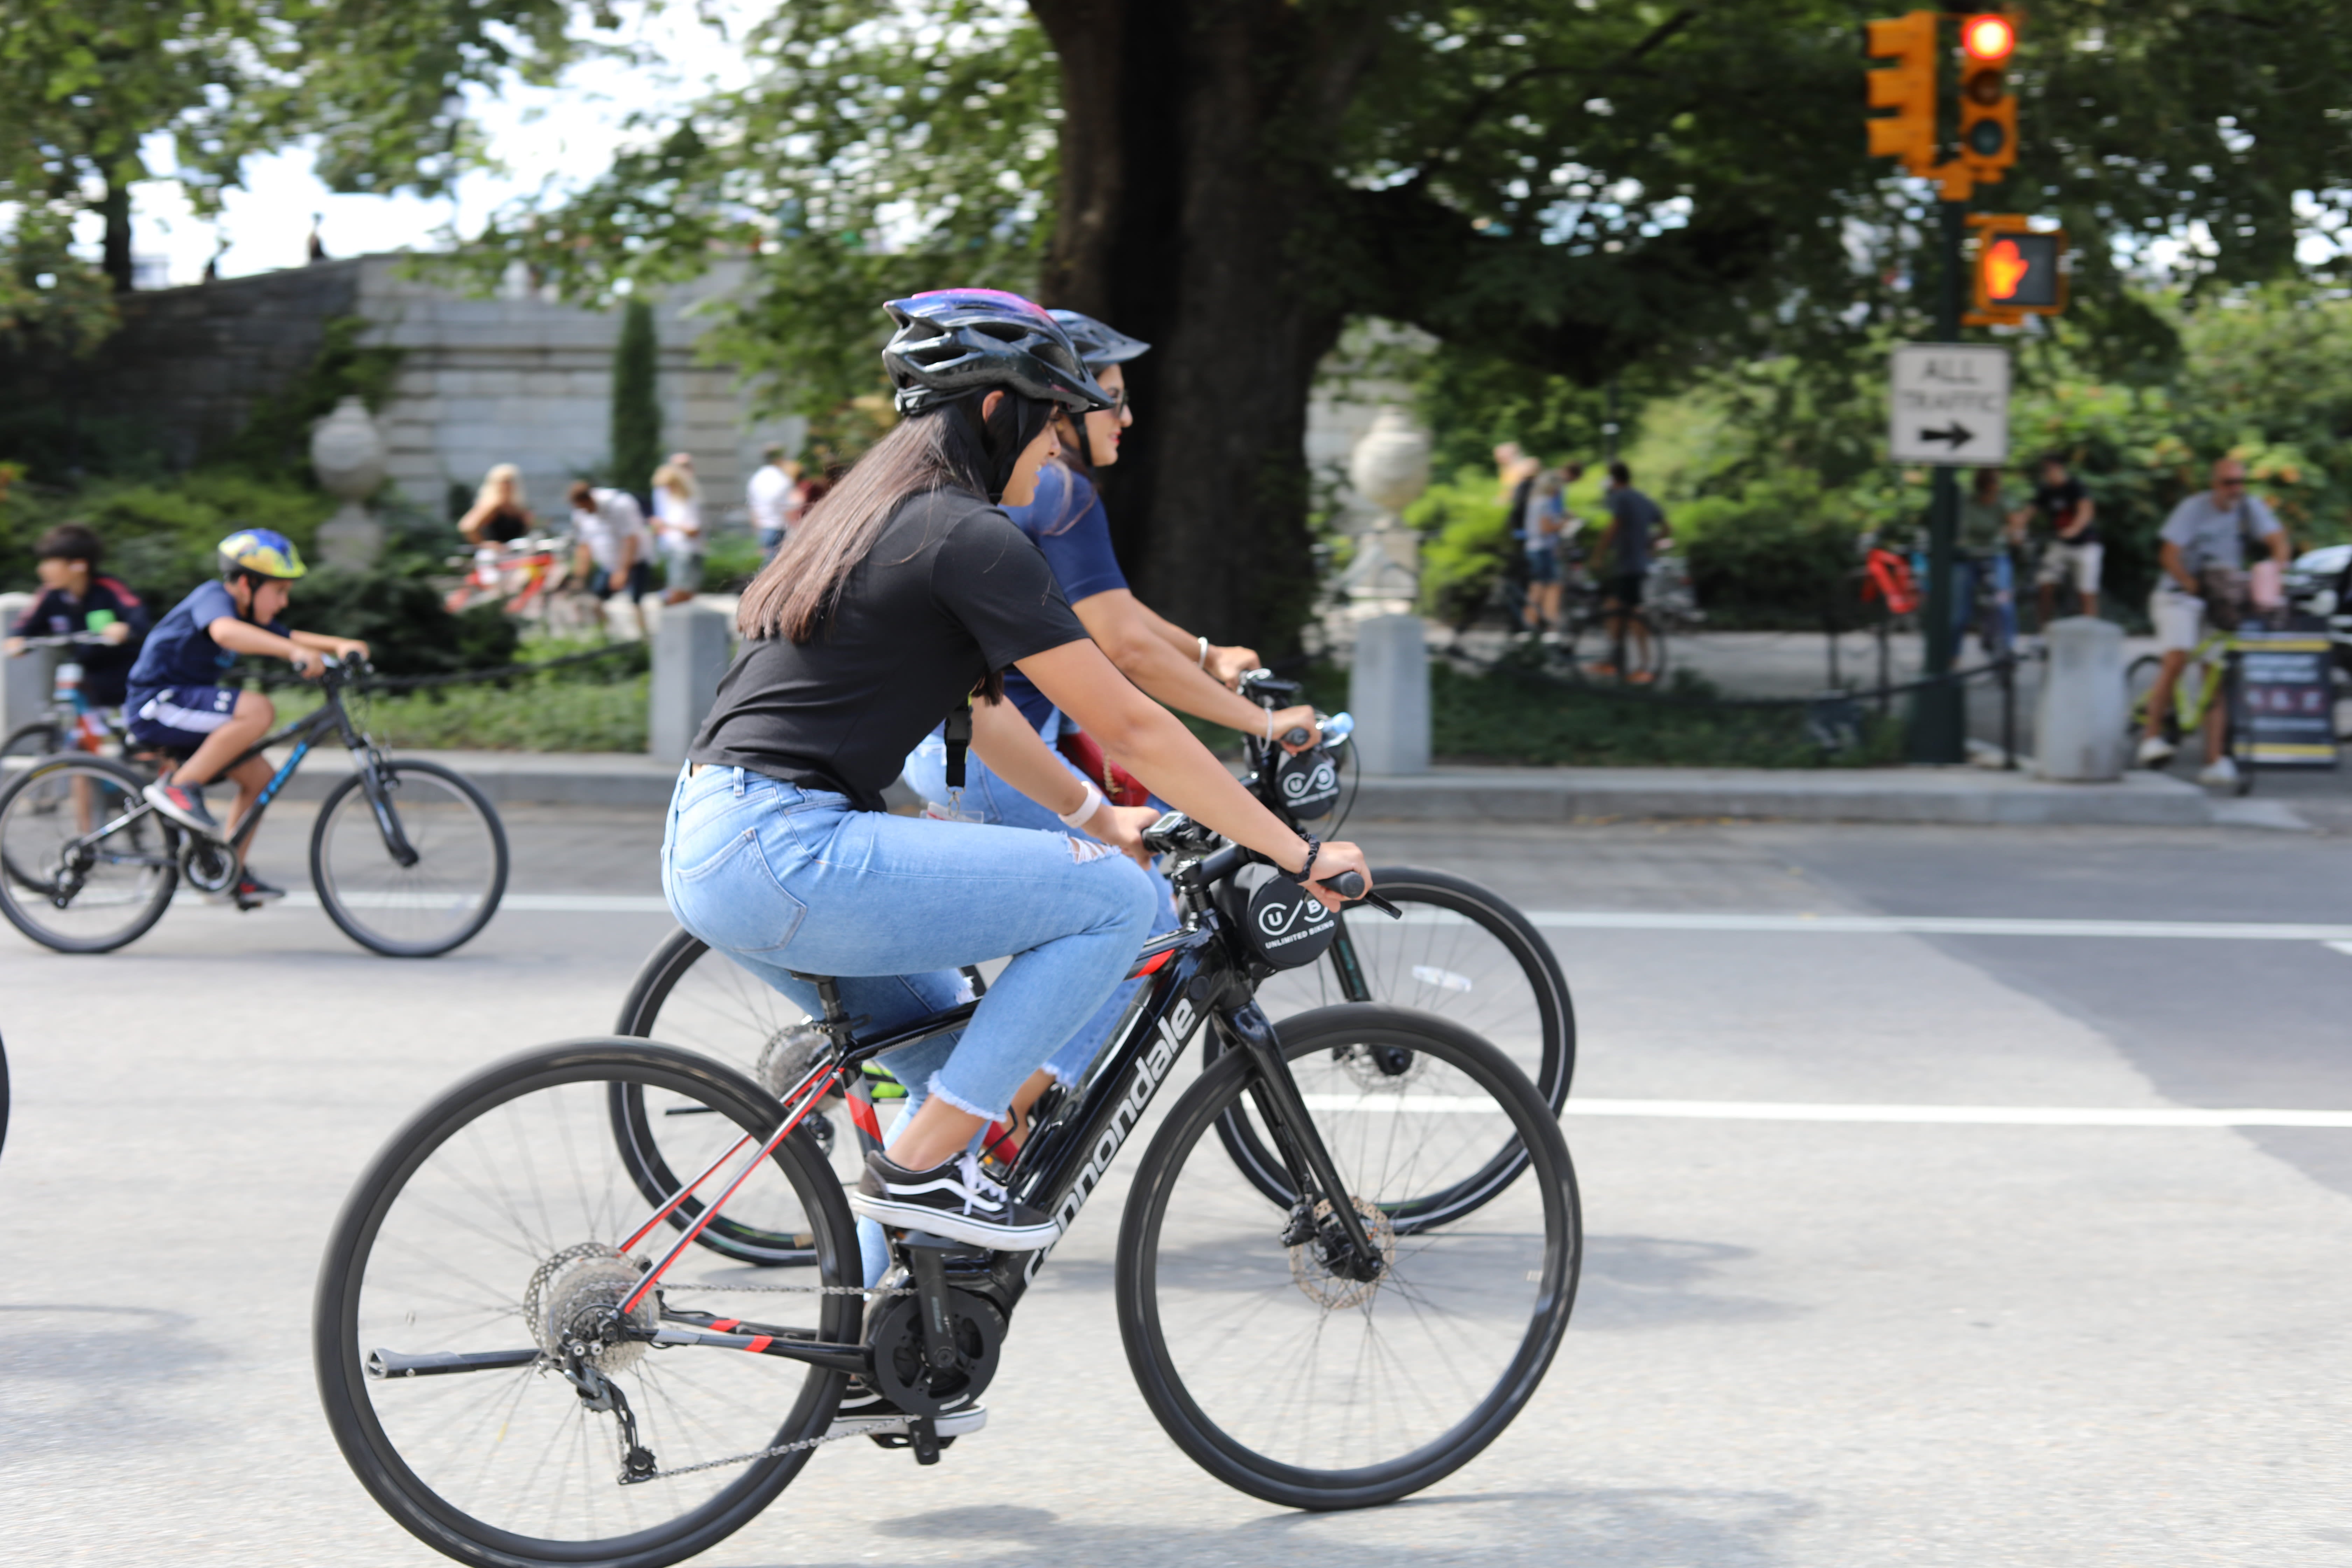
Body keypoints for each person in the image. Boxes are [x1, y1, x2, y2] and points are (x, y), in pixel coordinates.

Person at [664, 288, 1367, 1435]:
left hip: (718, 843)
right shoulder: (969, 533)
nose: (1056, 457)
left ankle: (873, 1361)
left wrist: (1101, 815)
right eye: (1049, 429)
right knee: (1115, 908)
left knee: (957, 1055)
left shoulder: (876, 514)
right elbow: (1136, 723)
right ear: (997, 409)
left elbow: (987, 717)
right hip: (784, 850)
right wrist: (1293, 849)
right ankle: (928, 1167)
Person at [898, 306, 1322, 1153]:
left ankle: (970, 1104)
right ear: (1053, 404)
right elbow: (1122, 652)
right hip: (989, 751)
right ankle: (994, 1121)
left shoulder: (1026, 491)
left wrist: (1206, 655)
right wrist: (1261, 725)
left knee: (1103, 897)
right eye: (1109, 398)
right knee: (1141, 926)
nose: (1125, 418)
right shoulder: (1055, 492)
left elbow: (1115, 618)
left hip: (968, 744)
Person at [131, 531, 370, 906]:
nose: (284, 602)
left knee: (259, 776)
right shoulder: (214, 598)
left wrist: (337, 645)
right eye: (279, 591)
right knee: (258, 709)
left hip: (188, 709)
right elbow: (227, 633)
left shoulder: (245, 611)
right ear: (246, 583)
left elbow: (289, 633)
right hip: (157, 703)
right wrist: (295, 651)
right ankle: (180, 786)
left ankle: (228, 875)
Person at [2138, 456, 2292, 786]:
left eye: (2240, 482)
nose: (2235, 489)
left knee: (2215, 674)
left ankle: (2214, 760)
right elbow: (2168, 554)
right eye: (2228, 483)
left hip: (2219, 598)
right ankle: (2150, 739)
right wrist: (2193, 585)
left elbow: (2279, 541)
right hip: (2179, 594)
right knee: (2177, 658)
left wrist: (2275, 571)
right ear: (2214, 485)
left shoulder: (2249, 509)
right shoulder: (2193, 509)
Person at [4, 523, 150, 711]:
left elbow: (137, 616)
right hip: (86, 674)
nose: (42, 570)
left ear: (79, 565)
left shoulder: (109, 588)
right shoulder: (49, 595)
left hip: (126, 674)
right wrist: (17, 639)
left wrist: (123, 629)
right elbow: (26, 624)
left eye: (50, 562)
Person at [1592, 460, 1667, 681]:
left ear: (1613, 479)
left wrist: (1599, 553)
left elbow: (1615, 525)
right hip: (1639, 564)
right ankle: (1615, 659)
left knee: (1632, 615)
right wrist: (1649, 544)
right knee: (1615, 609)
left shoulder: (1620, 497)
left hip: (1627, 565)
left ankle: (1643, 666)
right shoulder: (1643, 498)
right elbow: (1667, 528)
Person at [566, 481, 653, 639]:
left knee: (635, 602)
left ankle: (644, 641)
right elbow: (584, 546)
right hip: (609, 565)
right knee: (596, 601)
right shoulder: (580, 514)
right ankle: (608, 637)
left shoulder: (619, 504)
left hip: (634, 561)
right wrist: (579, 576)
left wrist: (623, 571)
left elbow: (631, 540)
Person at [2024, 453, 2099, 627]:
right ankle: (2044, 630)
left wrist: (2075, 529)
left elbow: (2086, 511)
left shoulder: (2075, 486)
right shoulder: (2046, 490)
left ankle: (2089, 631)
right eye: (2044, 470)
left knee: (2087, 591)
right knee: (2045, 583)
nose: (2046, 473)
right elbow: (2029, 512)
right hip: (2060, 544)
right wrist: (2017, 526)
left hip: (2086, 545)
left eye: (2049, 469)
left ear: (2059, 468)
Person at [1955, 467, 2018, 655]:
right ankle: (1953, 656)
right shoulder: (1968, 503)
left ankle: (2008, 648)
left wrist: (2013, 534)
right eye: (1993, 486)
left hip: (1997, 555)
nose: (1996, 490)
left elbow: (2014, 526)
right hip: (1970, 556)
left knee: (2004, 600)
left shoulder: (2003, 501)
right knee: (1961, 609)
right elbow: (1959, 531)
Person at [1521, 465, 1572, 637]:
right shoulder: (1544, 502)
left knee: (1538, 588)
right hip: (1542, 549)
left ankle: (1531, 626)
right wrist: (1563, 524)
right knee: (1549, 588)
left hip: (1537, 548)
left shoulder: (1536, 501)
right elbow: (1546, 527)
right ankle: (1549, 626)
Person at [649, 457, 705, 605]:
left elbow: (694, 530)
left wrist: (667, 524)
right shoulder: (671, 501)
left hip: (686, 551)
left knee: (682, 590)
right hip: (675, 549)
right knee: (677, 588)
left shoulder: (689, 501)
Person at [746, 445, 800, 559]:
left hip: (763, 527)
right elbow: (788, 508)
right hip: (779, 528)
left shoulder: (756, 478)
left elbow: (752, 508)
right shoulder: (782, 479)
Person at [458, 463, 533, 545]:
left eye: (511, 481)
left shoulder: (517, 507)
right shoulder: (492, 505)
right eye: (504, 482)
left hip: (515, 551)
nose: (508, 485)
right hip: (495, 554)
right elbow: (468, 527)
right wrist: (484, 544)